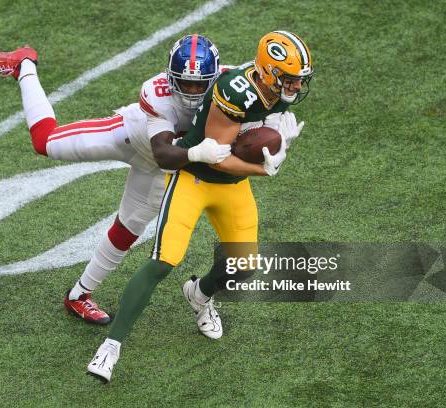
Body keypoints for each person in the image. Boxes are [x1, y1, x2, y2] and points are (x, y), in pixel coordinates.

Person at [87, 30, 313, 382]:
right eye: (290, 79)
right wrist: (263, 168)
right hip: (194, 177)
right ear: (269, 73)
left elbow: (258, 140)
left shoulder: (275, 92)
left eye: (299, 80)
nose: (295, 87)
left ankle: (200, 294)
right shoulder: (234, 91)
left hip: (232, 188)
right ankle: (110, 347)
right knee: (162, 263)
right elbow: (219, 159)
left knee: (246, 266)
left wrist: (278, 144)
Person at [0, 35, 232, 324]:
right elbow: (163, 152)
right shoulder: (156, 92)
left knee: (129, 228)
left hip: (163, 170)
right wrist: (197, 152)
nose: (193, 91)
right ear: (171, 77)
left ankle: (78, 295)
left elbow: (260, 85)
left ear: (214, 76)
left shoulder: (230, 86)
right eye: (185, 83)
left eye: (200, 84)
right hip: (128, 138)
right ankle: (24, 65)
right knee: (44, 142)